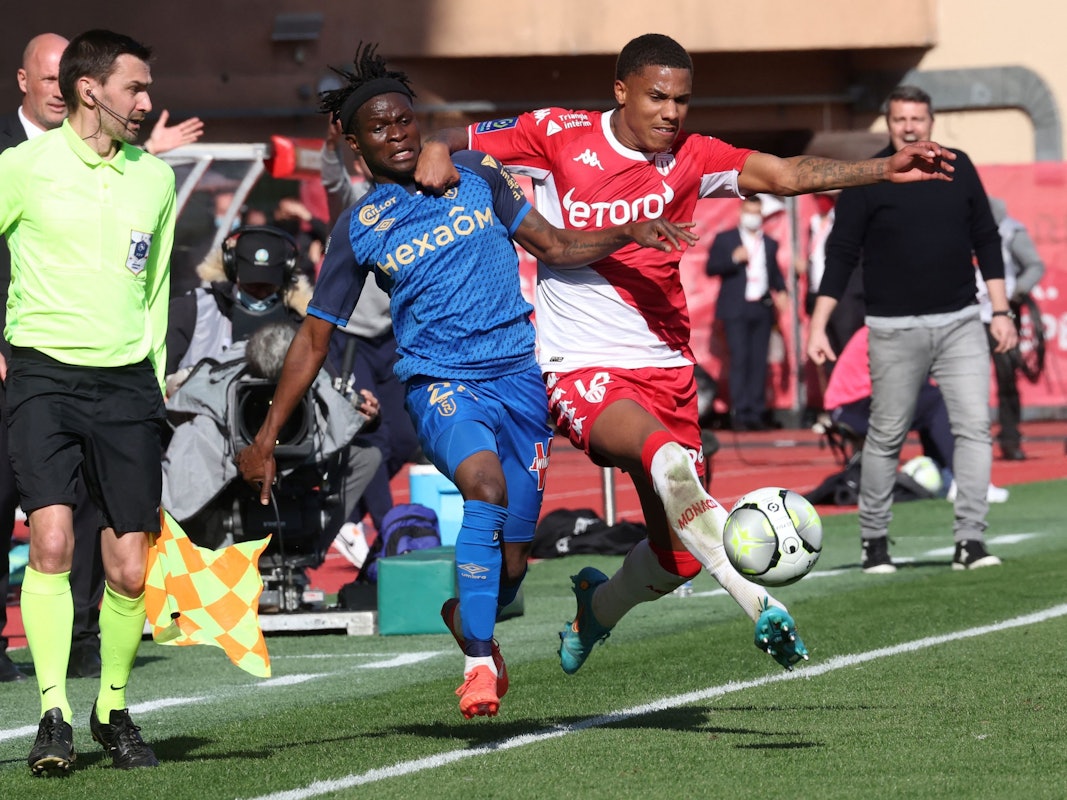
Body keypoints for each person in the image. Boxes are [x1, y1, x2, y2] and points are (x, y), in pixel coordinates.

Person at [415, 33, 954, 676]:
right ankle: (761, 606)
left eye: (683, 101)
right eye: (658, 97)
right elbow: (454, 137)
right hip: (583, 366)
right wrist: (430, 149)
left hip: (667, 367)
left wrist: (879, 167)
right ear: (622, 90)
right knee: (666, 461)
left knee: (678, 556)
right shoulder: (557, 133)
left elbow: (783, 174)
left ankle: (597, 609)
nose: (672, 113)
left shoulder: (694, 157)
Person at [236, 42, 697, 719]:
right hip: (441, 383)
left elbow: (557, 246)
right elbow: (314, 336)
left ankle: (467, 615)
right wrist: (267, 436)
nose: (395, 135)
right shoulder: (359, 228)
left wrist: (628, 226)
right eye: (379, 128)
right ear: (356, 145)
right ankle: (478, 665)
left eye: (403, 121)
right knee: (480, 488)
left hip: (519, 381)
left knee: (511, 570)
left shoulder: (477, 172)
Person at [0, 32, 201, 685]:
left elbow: (156, 285)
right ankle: (53, 712)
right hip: (40, 371)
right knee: (50, 541)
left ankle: (111, 708)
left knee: (129, 566)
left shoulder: (155, 179)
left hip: (126, 384)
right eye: (135, 88)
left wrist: (155, 373)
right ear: (91, 90)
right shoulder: (20, 166)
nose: (146, 100)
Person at [807, 85, 1017, 575]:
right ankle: (874, 543)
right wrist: (818, 326)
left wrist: (1001, 312)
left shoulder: (959, 167)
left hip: (962, 322)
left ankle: (970, 541)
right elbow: (840, 254)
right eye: (900, 119)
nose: (909, 127)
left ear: (931, 122)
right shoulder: (870, 177)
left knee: (974, 430)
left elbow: (987, 238)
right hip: (893, 328)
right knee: (886, 435)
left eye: (917, 119)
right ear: (889, 123)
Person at [163, 224, 382, 554]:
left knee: (366, 457)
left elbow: (331, 393)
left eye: (269, 285)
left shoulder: (304, 324)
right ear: (232, 269)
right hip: (214, 444)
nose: (260, 291)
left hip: (291, 445)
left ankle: (305, 552)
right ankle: (197, 551)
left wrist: (365, 413)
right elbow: (159, 379)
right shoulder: (194, 310)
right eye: (252, 282)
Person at [319, 118, 420, 566]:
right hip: (351, 341)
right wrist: (329, 146)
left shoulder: (416, 201)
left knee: (402, 439)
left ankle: (347, 511)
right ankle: (390, 531)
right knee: (370, 435)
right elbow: (332, 180)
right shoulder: (355, 202)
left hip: (392, 338)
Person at [821, 326, 1009, 504]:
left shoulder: (889, 326)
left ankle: (948, 474)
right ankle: (966, 483)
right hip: (853, 407)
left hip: (851, 405)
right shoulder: (893, 330)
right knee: (934, 401)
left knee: (930, 400)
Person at [705, 196, 789, 431]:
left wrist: (781, 291)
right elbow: (711, 267)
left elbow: (774, 274)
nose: (753, 217)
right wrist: (733, 259)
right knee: (740, 359)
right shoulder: (727, 239)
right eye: (749, 211)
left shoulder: (769, 243)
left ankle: (757, 412)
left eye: (757, 212)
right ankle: (740, 413)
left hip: (761, 308)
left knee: (759, 361)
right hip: (735, 308)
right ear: (742, 212)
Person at [979, 197, 1045, 461]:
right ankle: (971, 441)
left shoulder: (1008, 229)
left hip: (1002, 314)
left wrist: (1016, 294)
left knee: (1007, 378)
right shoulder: (954, 227)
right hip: (966, 315)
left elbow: (1034, 265)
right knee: (968, 381)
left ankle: (1010, 438)